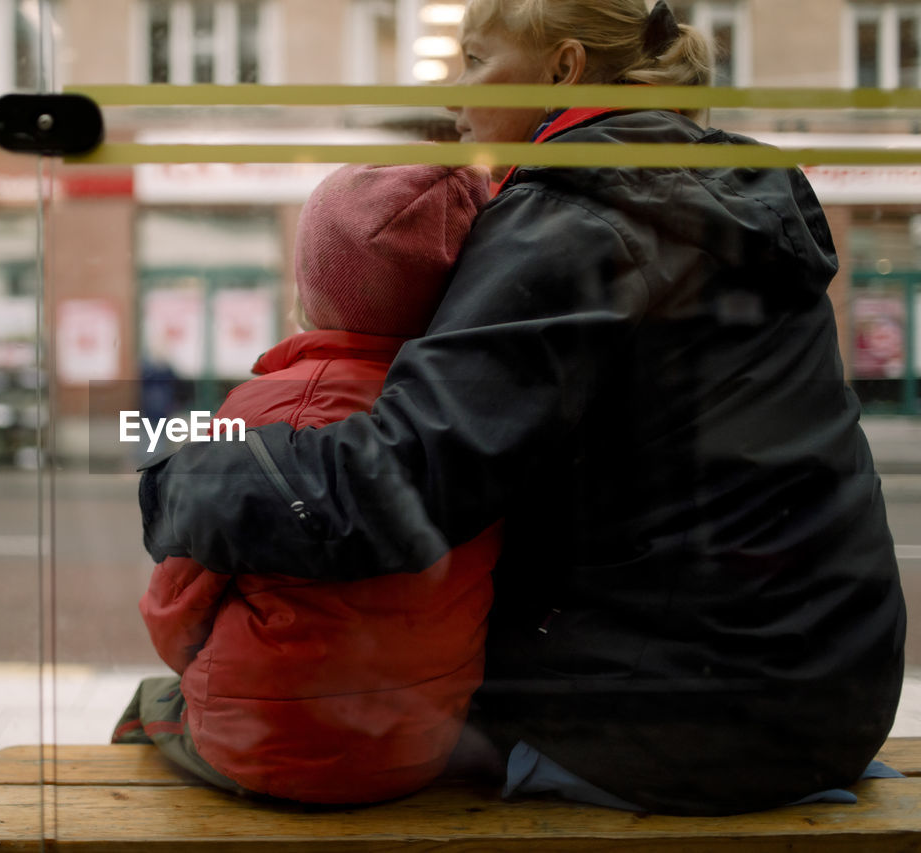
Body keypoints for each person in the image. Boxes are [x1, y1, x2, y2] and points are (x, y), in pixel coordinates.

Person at [137, 0, 907, 816]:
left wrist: (184, 476)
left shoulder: (575, 214)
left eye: (473, 61)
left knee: (281, 714)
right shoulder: (728, 192)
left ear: (564, 69)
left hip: (690, 722)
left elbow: (402, 486)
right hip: (830, 689)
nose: (455, 94)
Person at [114, 163, 500, 804]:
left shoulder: (262, 411)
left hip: (266, 748)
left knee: (148, 706)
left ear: (310, 286)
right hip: (423, 744)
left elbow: (175, 606)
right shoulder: (469, 415)